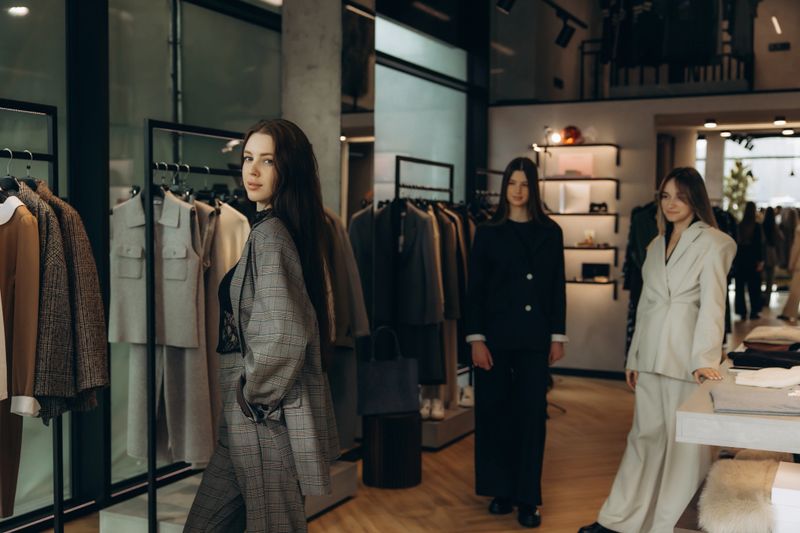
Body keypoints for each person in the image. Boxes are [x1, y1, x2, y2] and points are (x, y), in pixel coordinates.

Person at [185, 119, 338, 533]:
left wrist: (251, 396)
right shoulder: (275, 229)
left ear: (288, 170)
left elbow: (287, 335)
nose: (251, 171)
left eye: (266, 161)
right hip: (245, 421)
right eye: (248, 158)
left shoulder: (271, 235)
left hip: (262, 420)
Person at [579, 167, 736, 533]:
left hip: (687, 359)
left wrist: (704, 360)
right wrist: (634, 356)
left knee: (684, 448)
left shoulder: (716, 242)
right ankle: (619, 519)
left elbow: (714, 307)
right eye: (665, 196)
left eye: (680, 196)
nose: (671, 203)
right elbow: (646, 306)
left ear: (695, 199)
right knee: (643, 439)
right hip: (650, 356)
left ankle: (670, 524)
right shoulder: (653, 245)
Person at [465, 157, 567, 529]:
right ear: (505, 187)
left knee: (530, 418)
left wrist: (558, 335)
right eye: (512, 184)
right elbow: (474, 291)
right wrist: (475, 338)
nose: (518, 191)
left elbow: (558, 287)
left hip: (534, 339)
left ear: (534, 188)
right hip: (493, 339)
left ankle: (527, 498)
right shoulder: (488, 232)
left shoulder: (550, 232)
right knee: (493, 414)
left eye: (525, 184)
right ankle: (499, 490)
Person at [734, 201, 764, 319]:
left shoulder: (740, 225)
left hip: (741, 259)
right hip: (752, 260)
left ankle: (742, 311)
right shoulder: (756, 226)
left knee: (740, 287)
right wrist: (760, 260)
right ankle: (754, 311)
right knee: (754, 287)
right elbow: (758, 245)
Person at [762, 206, 784, 307]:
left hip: (763, 253)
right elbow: (781, 239)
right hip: (772, 253)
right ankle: (767, 300)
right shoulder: (775, 227)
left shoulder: (762, 225)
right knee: (770, 280)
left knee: (761, 278)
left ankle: (761, 298)